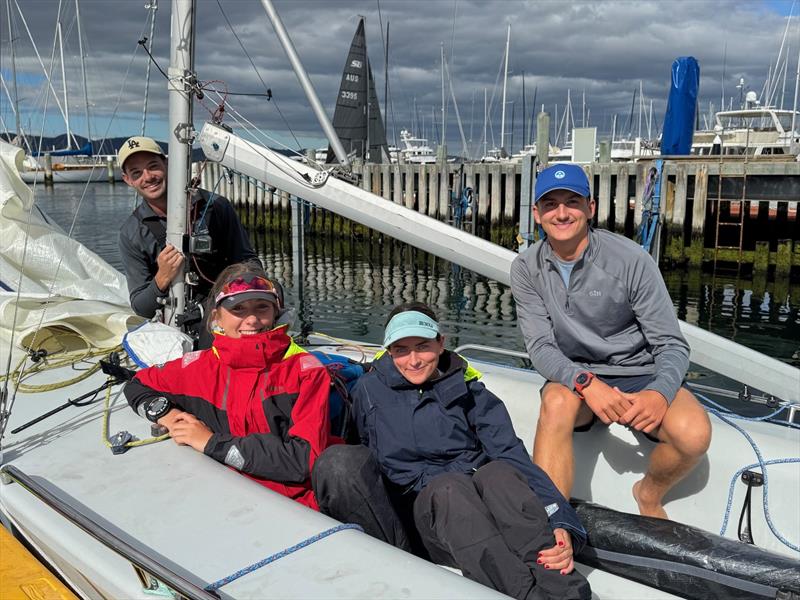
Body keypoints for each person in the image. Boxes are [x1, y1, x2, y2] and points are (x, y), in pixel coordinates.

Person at [314, 302, 591, 600]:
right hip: (422, 518)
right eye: (401, 350)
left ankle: (567, 590)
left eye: (423, 346)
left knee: (499, 473)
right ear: (389, 351)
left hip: (473, 505)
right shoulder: (367, 391)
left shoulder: (471, 392)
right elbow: (360, 455)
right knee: (449, 488)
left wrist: (560, 520)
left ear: (441, 342)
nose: (414, 360)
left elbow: (513, 456)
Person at [510, 163, 712, 520]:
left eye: (572, 201)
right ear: (536, 214)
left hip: (639, 374)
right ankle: (553, 523)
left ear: (591, 207)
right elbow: (540, 348)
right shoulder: (526, 268)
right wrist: (586, 383)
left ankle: (648, 494)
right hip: (579, 379)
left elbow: (671, 344)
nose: (561, 212)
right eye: (550, 204)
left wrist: (659, 392)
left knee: (694, 436)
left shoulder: (632, 260)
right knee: (556, 402)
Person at [124, 262, 333, 509]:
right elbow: (136, 386)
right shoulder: (198, 368)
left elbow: (304, 460)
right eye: (238, 308)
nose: (252, 319)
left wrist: (212, 443)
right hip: (218, 498)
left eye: (262, 307)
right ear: (217, 317)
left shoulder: (307, 373)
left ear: (277, 313)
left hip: (294, 506)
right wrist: (168, 415)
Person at [117, 136, 259, 339]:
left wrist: (240, 291)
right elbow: (141, 307)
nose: (148, 177)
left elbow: (249, 261)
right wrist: (161, 279)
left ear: (167, 164)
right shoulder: (131, 233)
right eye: (137, 173)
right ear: (128, 180)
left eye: (153, 166)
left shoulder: (217, 206)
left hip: (230, 309)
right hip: (177, 327)